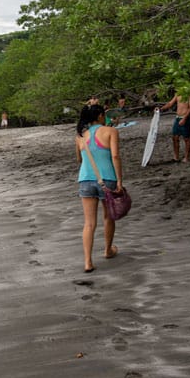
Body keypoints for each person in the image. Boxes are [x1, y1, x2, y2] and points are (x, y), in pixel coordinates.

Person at [75, 104, 123, 273]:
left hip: (86, 179)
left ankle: (88, 261)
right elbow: (115, 156)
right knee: (108, 217)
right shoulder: (111, 131)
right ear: (101, 116)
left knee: (89, 223)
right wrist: (119, 181)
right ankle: (108, 250)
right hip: (107, 178)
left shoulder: (81, 136)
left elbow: (80, 159)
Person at [161, 92, 190, 162]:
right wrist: (161, 109)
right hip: (178, 118)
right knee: (175, 137)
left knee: (186, 138)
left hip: (186, 118)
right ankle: (176, 157)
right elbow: (170, 103)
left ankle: (187, 157)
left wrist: (184, 119)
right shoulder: (178, 93)